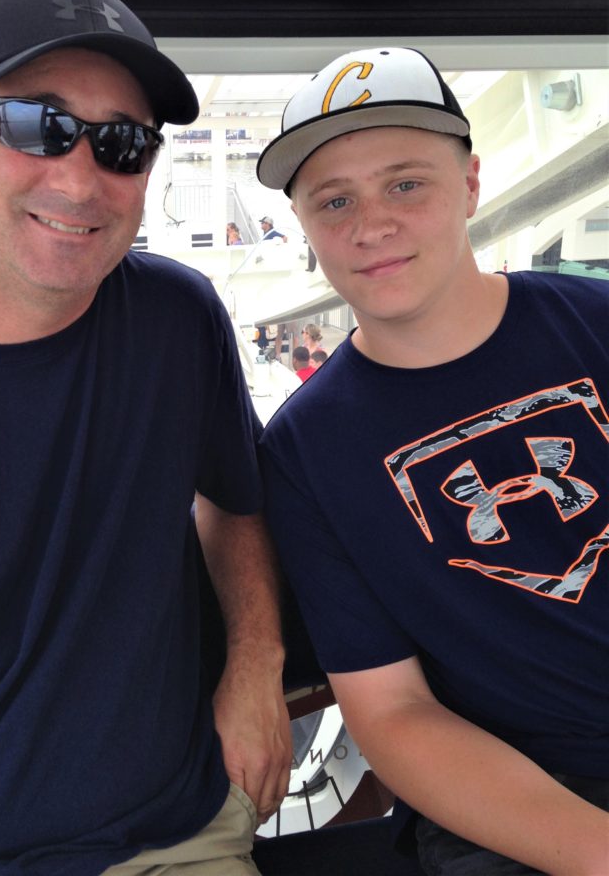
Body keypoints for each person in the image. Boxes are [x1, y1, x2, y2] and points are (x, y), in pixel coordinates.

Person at [0, 0, 292, 875]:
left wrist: (256, 663)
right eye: (34, 124)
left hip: (181, 834)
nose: (80, 178)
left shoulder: (175, 316)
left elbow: (232, 499)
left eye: (122, 144)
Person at [256, 47, 609, 875]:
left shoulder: (597, 325)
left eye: (405, 183)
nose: (369, 224)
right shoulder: (305, 451)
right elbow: (395, 711)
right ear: (305, 227)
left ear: (472, 184)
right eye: (332, 200)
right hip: (523, 795)